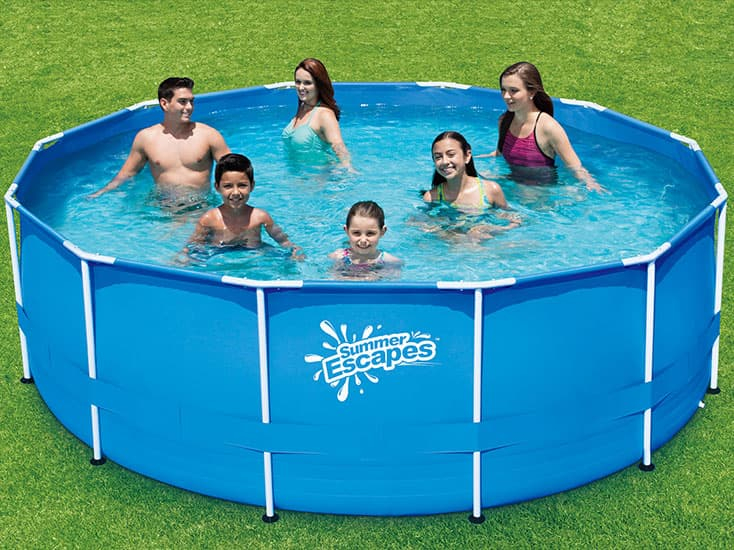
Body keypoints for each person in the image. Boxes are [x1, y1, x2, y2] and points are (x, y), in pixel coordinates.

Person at [89, 77, 230, 203]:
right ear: (164, 104)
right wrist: (101, 193)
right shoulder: (146, 138)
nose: (189, 107)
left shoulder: (208, 135)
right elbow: (127, 173)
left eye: (191, 101)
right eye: (182, 102)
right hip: (163, 209)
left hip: (200, 207)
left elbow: (234, 168)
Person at [480, 62, 604, 192]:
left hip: (539, 194)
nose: (506, 96)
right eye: (503, 90)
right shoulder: (504, 121)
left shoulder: (548, 128)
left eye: (513, 91)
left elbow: (575, 167)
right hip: (510, 185)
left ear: (532, 92)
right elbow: (499, 154)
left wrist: (592, 185)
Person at [184, 153, 303, 259]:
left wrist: (295, 251)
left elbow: (283, 240)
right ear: (217, 187)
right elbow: (193, 246)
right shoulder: (209, 219)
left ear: (252, 186)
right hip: (219, 257)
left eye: (242, 185)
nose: (236, 192)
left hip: (254, 257)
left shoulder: (260, 217)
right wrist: (184, 258)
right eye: (228, 186)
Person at [422, 131, 518, 241]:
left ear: (467, 155)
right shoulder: (431, 197)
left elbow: (516, 221)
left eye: (451, 155)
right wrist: (446, 233)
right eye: (438, 157)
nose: (444, 161)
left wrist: (492, 229)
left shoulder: (490, 190)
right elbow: (426, 225)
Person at [282, 58, 353, 170]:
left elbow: (338, 145)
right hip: (297, 176)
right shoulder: (303, 107)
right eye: (298, 82)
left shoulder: (324, 115)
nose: (301, 87)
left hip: (318, 177)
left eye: (307, 83)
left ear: (319, 85)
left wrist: (348, 168)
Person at [328, 201, 401, 273]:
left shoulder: (391, 262)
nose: (363, 240)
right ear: (346, 230)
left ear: (382, 232)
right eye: (356, 233)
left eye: (370, 233)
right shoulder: (337, 257)